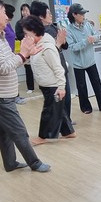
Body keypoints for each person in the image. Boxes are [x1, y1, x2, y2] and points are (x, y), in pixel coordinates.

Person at [0, 0, 50, 173]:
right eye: (3, 12)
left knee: (4, 131)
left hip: (1, 92)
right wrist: (23, 54)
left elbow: (9, 60)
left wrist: (26, 54)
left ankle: (10, 163)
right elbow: (4, 67)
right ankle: (35, 163)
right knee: (19, 130)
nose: (7, 16)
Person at [19, 15, 75, 145]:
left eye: (27, 33)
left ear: (34, 31)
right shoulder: (38, 45)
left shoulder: (47, 48)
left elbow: (58, 69)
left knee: (48, 111)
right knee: (58, 109)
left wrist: (61, 87)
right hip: (45, 84)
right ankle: (68, 132)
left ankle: (42, 137)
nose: (25, 36)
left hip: (52, 85)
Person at [30, 0, 73, 123]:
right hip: (51, 72)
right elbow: (50, 52)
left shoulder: (53, 27)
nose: (51, 15)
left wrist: (62, 41)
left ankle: (66, 123)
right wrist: (58, 43)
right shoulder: (39, 35)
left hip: (60, 66)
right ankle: (62, 125)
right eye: (48, 13)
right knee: (57, 100)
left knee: (66, 98)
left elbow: (64, 46)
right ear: (40, 17)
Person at [66, 3, 101, 114]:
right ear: (74, 15)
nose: (83, 15)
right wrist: (86, 41)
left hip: (90, 61)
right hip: (78, 64)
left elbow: (96, 35)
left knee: (97, 82)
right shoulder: (69, 30)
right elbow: (72, 47)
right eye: (81, 14)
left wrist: (93, 38)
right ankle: (86, 107)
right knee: (81, 87)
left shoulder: (87, 24)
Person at [16, 3, 35, 95]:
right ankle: (30, 87)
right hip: (26, 47)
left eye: (26, 10)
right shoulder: (19, 23)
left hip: (35, 46)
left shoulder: (33, 21)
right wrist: (26, 35)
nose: (25, 12)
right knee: (28, 67)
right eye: (23, 10)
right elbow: (18, 35)